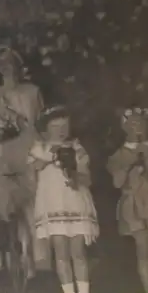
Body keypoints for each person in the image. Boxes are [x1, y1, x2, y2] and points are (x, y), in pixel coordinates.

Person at [0, 45, 44, 275]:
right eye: (0, 62)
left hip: (25, 149)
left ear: (17, 63)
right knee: (3, 205)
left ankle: (37, 261)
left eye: (9, 60)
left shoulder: (31, 92)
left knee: (30, 205)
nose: (6, 66)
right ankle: (7, 263)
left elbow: (39, 124)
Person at [29, 105, 99, 293]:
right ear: (46, 129)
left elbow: (87, 176)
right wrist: (52, 153)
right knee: (60, 254)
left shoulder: (76, 147)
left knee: (78, 253)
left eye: (64, 126)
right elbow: (35, 167)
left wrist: (76, 177)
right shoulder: (40, 148)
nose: (61, 131)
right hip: (53, 204)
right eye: (55, 126)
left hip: (74, 202)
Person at [107, 107, 148, 293]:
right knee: (143, 249)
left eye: (141, 122)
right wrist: (130, 164)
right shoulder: (118, 155)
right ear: (125, 127)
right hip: (135, 206)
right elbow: (117, 183)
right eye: (132, 123)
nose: (137, 127)